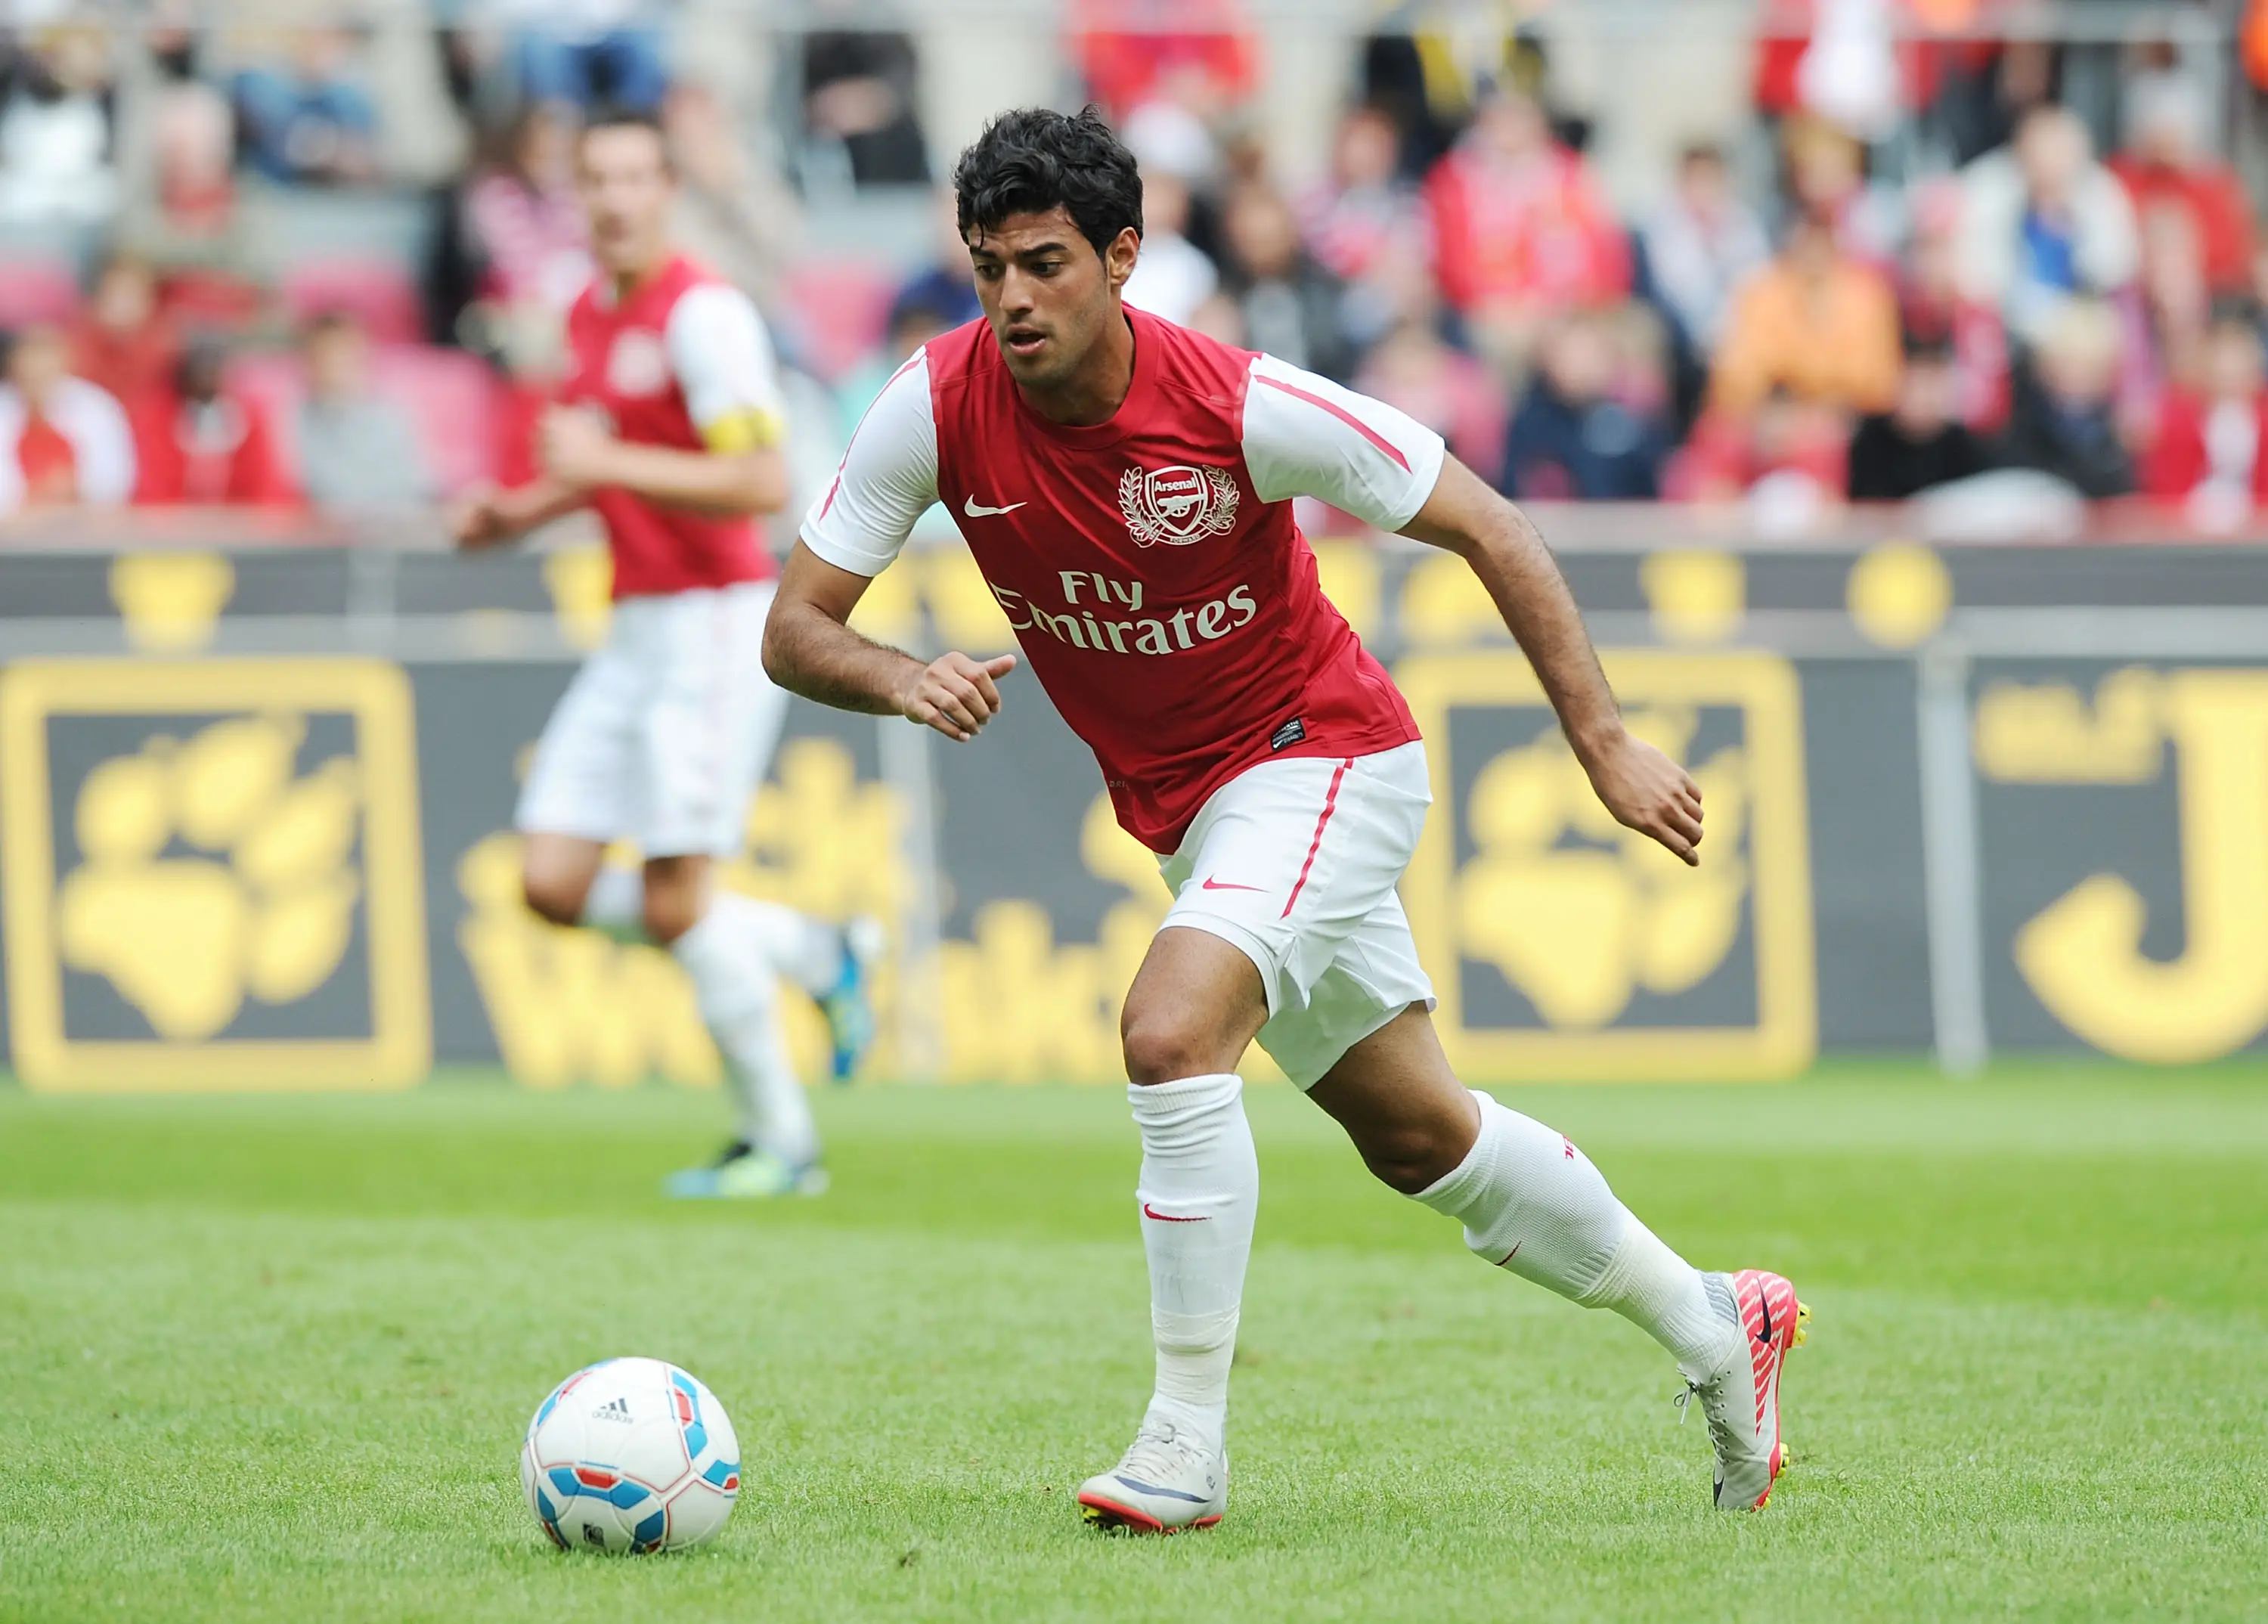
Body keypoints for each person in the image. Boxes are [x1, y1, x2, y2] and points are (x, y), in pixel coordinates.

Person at [768, 106, 1807, 1533]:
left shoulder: (1237, 401)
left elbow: (1492, 521)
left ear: (1124, 257)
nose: (1013, 296)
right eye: (990, 264)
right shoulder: (934, 404)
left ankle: (1183, 1445)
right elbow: (793, 627)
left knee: (1168, 1030)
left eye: (1047, 262)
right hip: (1199, 818)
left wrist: (1606, 740)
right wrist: (899, 672)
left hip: (1327, 758)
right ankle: (1715, 1323)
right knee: (1421, 1137)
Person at [447, 108, 875, 1199]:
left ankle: (783, 1146)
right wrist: (522, 514)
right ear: (577, 193)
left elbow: (761, 483)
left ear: (668, 190)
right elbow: (601, 463)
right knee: (549, 880)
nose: (616, 197)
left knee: (680, 898)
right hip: (636, 622)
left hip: (716, 620)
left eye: (636, 176)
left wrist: (603, 461)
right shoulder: (588, 310)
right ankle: (808, 949)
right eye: (596, 177)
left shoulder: (706, 317)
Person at [295, 310, 432, 513]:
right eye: (326, 358)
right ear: (309, 364)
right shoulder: (293, 421)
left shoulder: (391, 418)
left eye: (345, 357)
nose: (336, 369)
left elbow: (417, 486)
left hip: (394, 530)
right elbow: (316, 490)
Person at [0, 325, 135, 514]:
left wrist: (69, 488)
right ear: (14, 367)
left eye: (45, 369)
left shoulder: (95, 407)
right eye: (30, 370)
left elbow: (112, 482)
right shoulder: (5, 409)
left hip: (83, 526)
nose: (37, 377)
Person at [1847, 337, 1987, 501]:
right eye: (1916, 385)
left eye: (1932, 385)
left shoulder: (1963, 445)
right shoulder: (1871, 439)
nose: (1924, 397)